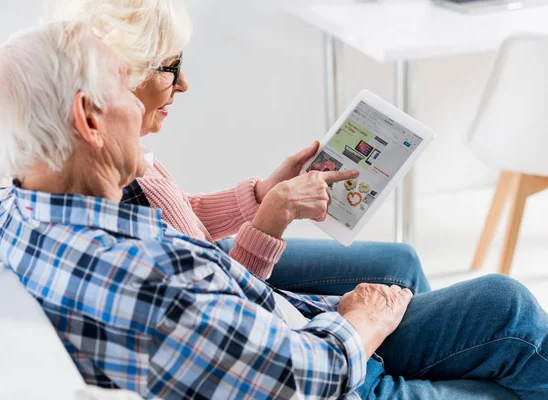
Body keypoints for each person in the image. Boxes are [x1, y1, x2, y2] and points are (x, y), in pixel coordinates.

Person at [0, 20, 548, 400]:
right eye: (126, 89)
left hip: (295, 324)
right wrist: (360, 323)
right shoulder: (154, 278)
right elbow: (303, 378)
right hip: (333, 369)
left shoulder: (8, 205)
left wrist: (260, 199)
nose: (148, 99)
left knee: (497, 304)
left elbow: (193, 245)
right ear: (90, 119)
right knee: (511, 319)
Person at [42, 0, 431, 299]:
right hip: (234, 280)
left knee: (403, 262)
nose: (184, 85)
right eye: (171, 68)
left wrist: (262, 195)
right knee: (417, 285)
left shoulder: (122, 153)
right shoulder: (109, 181)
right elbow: (221, 304)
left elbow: (183, 219)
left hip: (221, 260)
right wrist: (272, 221)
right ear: (121, 76)